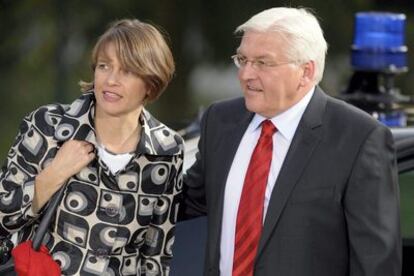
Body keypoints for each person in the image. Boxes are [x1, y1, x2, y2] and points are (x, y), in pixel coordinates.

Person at [180, 7, 401, 276]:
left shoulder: (359, 138)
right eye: (243, 59)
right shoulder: (220, 121)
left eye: (263, 63)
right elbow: (185, 200)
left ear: (306, 72)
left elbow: (375, 264)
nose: (246, 74)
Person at [0, 19, 183, 275]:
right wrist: (53, 175)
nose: (111, 80)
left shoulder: (167, 149)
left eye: (127, 71)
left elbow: (156, 254)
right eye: (104, 66)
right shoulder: (48, 126)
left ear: (151, 83)